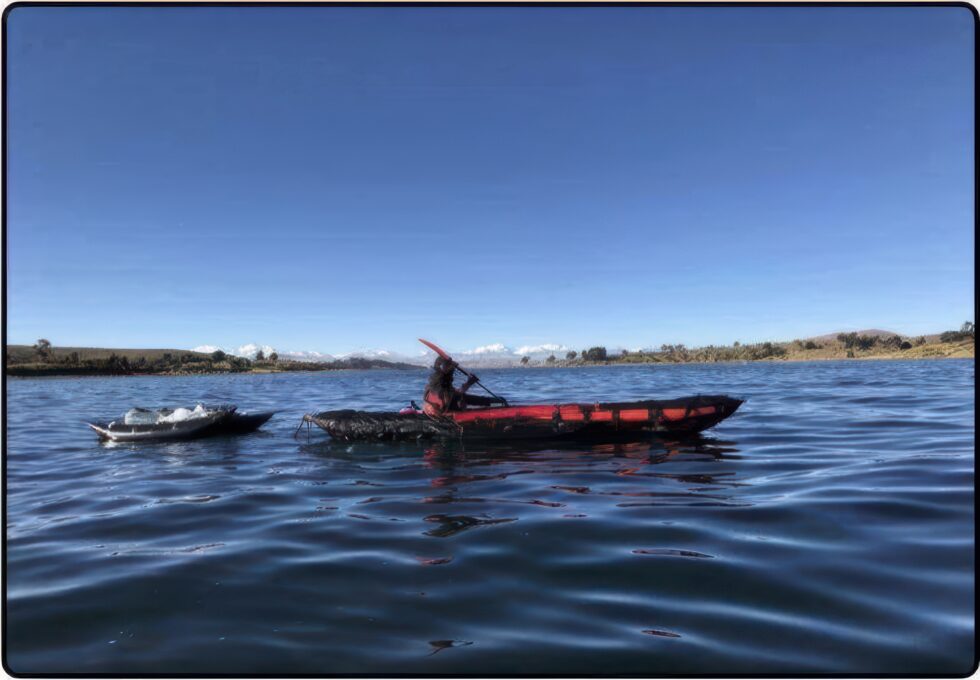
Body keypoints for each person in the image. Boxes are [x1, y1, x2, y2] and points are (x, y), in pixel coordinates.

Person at [422, 356, 507, 417]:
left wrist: (469, 383)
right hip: (445, 409)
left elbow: (454, 393)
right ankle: (500, 403)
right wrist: (469, 383)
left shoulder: (438, 380)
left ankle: (500, 402)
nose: (452, 370)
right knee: (487, 401)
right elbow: (453, 395)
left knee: (480, 400)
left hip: (447, 405)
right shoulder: (439, 381)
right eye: (449, 367)